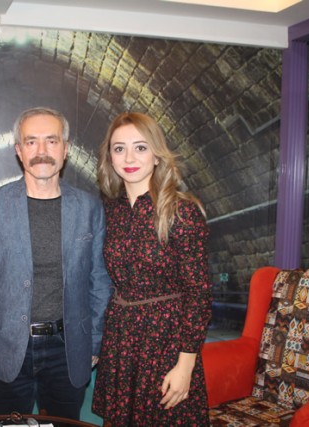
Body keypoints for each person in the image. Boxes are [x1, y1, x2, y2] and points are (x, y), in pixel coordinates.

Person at [0, 107, 112, 420]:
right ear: (19, 150)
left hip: (68, 350)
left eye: (51, 141)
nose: (42, 151)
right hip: (6, 347)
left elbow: (99, 282)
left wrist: (95, 342)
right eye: (31, 142)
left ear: (66, 149)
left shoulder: (89, 208)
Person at [91, 112, 212, 426]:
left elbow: (199, 294)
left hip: (165, 340)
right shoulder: (108, 212)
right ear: (110, 157)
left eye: (141, 147)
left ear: (157, 155)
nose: (129, 158)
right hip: (121, 338)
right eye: (119, 149)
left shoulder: (181, 211)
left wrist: (185, 365)